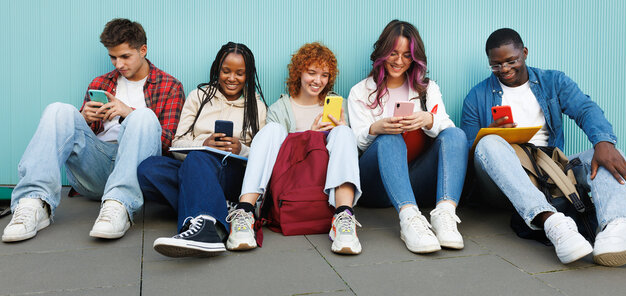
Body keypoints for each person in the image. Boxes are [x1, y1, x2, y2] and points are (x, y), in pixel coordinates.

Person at [461, 28, 626, 266]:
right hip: (504, 180)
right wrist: (493, 132)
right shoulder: (477, 96)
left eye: (511, 61)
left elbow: (585, 109)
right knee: (488, 143)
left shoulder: (552, 82)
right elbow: (470, 157)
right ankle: (554, 223)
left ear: (524, 53)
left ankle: (619, 227)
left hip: (551, 171)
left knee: (608, 154)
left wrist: (603, 142)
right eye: (496, 65)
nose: (504, 69)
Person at [2, 18, 185, 242]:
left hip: (135, 170)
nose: (118, 64)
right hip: (96, 167)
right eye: (113, 57)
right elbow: (76, 137)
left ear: (143, 50)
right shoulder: (100, 83)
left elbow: (170, 143)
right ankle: (34, 203)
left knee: (144, 117)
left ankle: (119, 206)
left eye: (125, 56)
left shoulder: (169, 86)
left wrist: (129, 112)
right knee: (59, 110)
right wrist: (84, 117)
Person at [225, 42, 363, 255]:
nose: (318, 80)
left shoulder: (339, 105)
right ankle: (245, 213)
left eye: (324, 75)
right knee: (272, 130)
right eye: (311, 73)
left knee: (344, 132)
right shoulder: (279, 109)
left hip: (325, 184)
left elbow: (349, 157)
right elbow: (278, 157)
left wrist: (338, 131)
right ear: (299, 72)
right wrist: (311, 135)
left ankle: (344, 218)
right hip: (289, 183)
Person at [348, 20, 468, 254]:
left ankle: (444, 216)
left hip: (417, 179)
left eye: (407, 55)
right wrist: (377, 128)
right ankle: (410, 219)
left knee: (455, 133)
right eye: (393, 53)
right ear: (382, 52)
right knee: (389, 137)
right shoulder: (360, 91)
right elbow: (356, 143)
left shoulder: (426, 88)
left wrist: (428, 119)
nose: (399, 61)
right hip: (377, 185)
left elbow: (448, 132)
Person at [137, 42, 267, 257]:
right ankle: (220, 208)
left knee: (197, 160)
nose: (232, 78)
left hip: (232, 174)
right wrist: (203, 144)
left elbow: (262, 157)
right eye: (226, 71)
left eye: (240, 73)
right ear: (217, 69)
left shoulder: (257, 107)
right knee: (148, 169)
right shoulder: (198, 97)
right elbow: (176, 144)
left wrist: (241, 149)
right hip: (195, 165)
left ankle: (205, 228)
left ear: (248, 75)